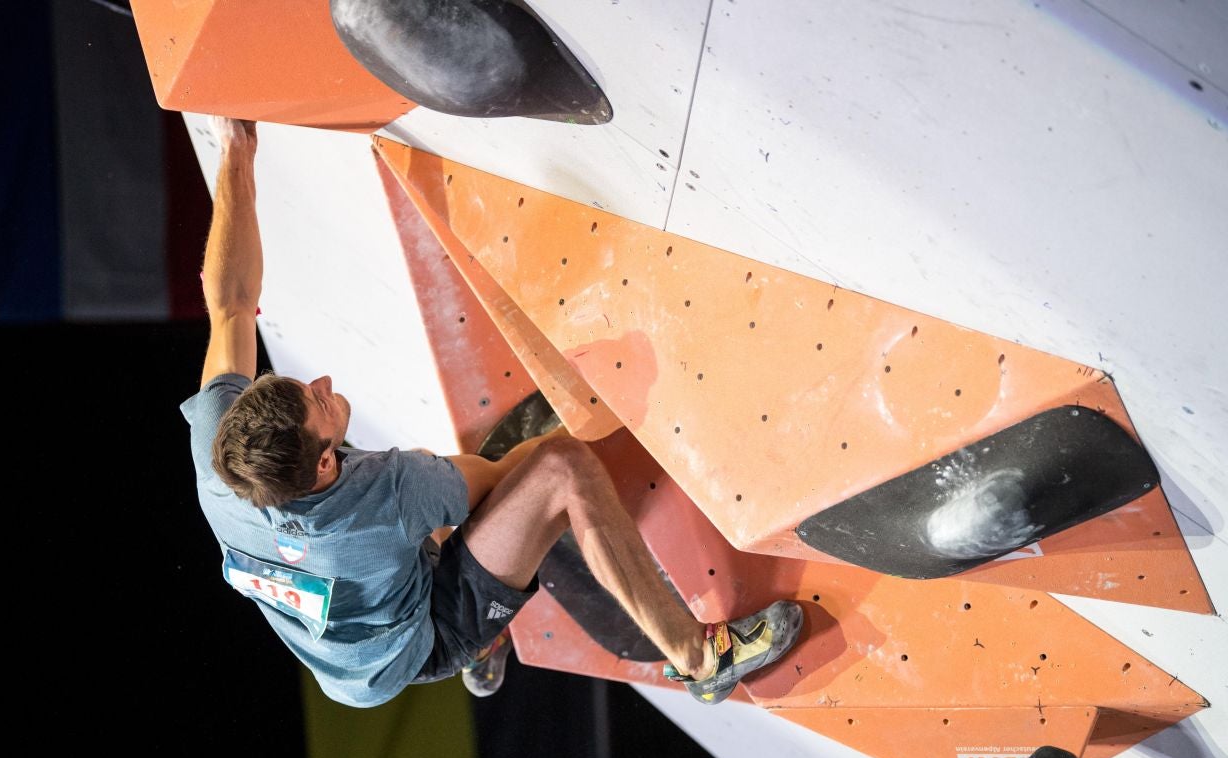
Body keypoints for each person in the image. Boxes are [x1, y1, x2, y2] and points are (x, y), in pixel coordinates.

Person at [181, 117, 802, 708]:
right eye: (319, 401)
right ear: (322, 463)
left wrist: (236, 147)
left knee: (435, 489)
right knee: (560, 469)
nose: (324, 382)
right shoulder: (387, 497)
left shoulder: (223, 460)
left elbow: (231, 304)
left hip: (343, 661)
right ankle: (701, 659)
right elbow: (497, 488)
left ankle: (458, 582)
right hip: (429, 635)